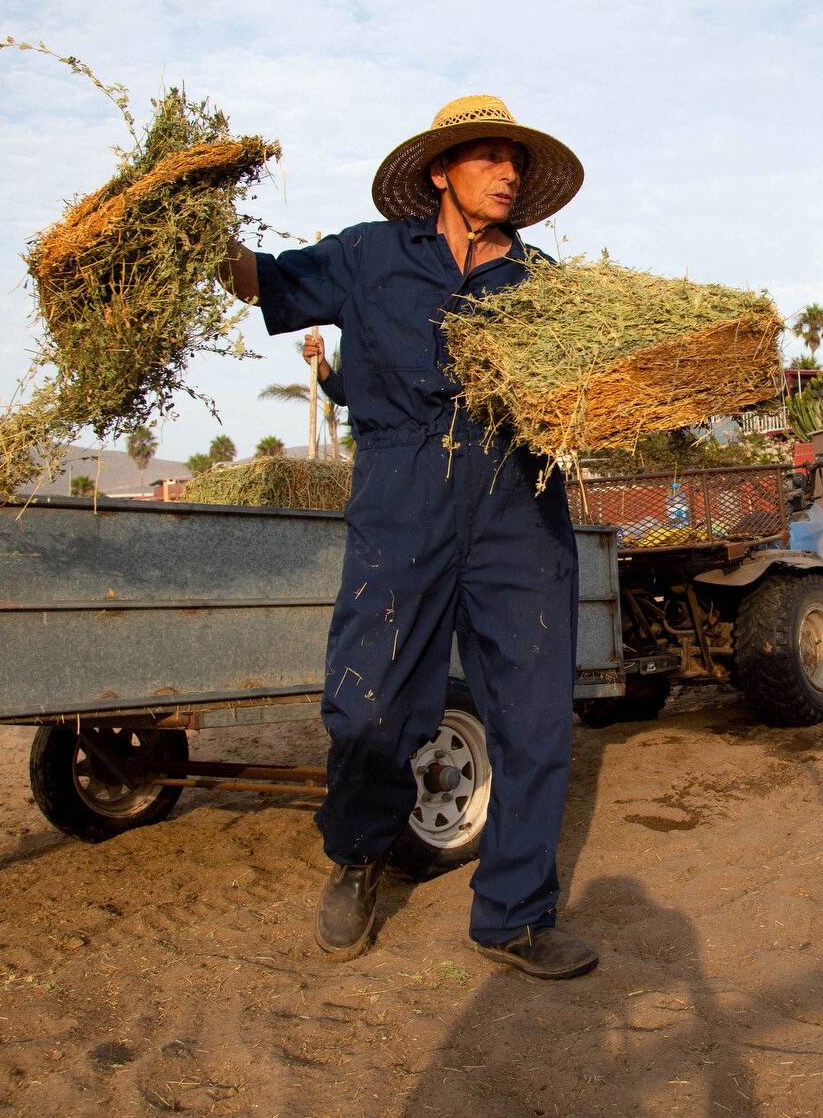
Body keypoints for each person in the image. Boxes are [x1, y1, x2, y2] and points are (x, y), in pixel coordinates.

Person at [221, 95, 596, 979]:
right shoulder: (369, 255)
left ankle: (513, 915)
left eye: (516, 161)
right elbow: (262, 280)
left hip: (518, 500)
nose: (507, 173)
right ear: (440, 171)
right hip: (402, 495)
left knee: (535, 717)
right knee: (370, 706)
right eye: (487, 158)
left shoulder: (543, 287)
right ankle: (358, 856)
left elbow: (589, 389)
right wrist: (197, 242)